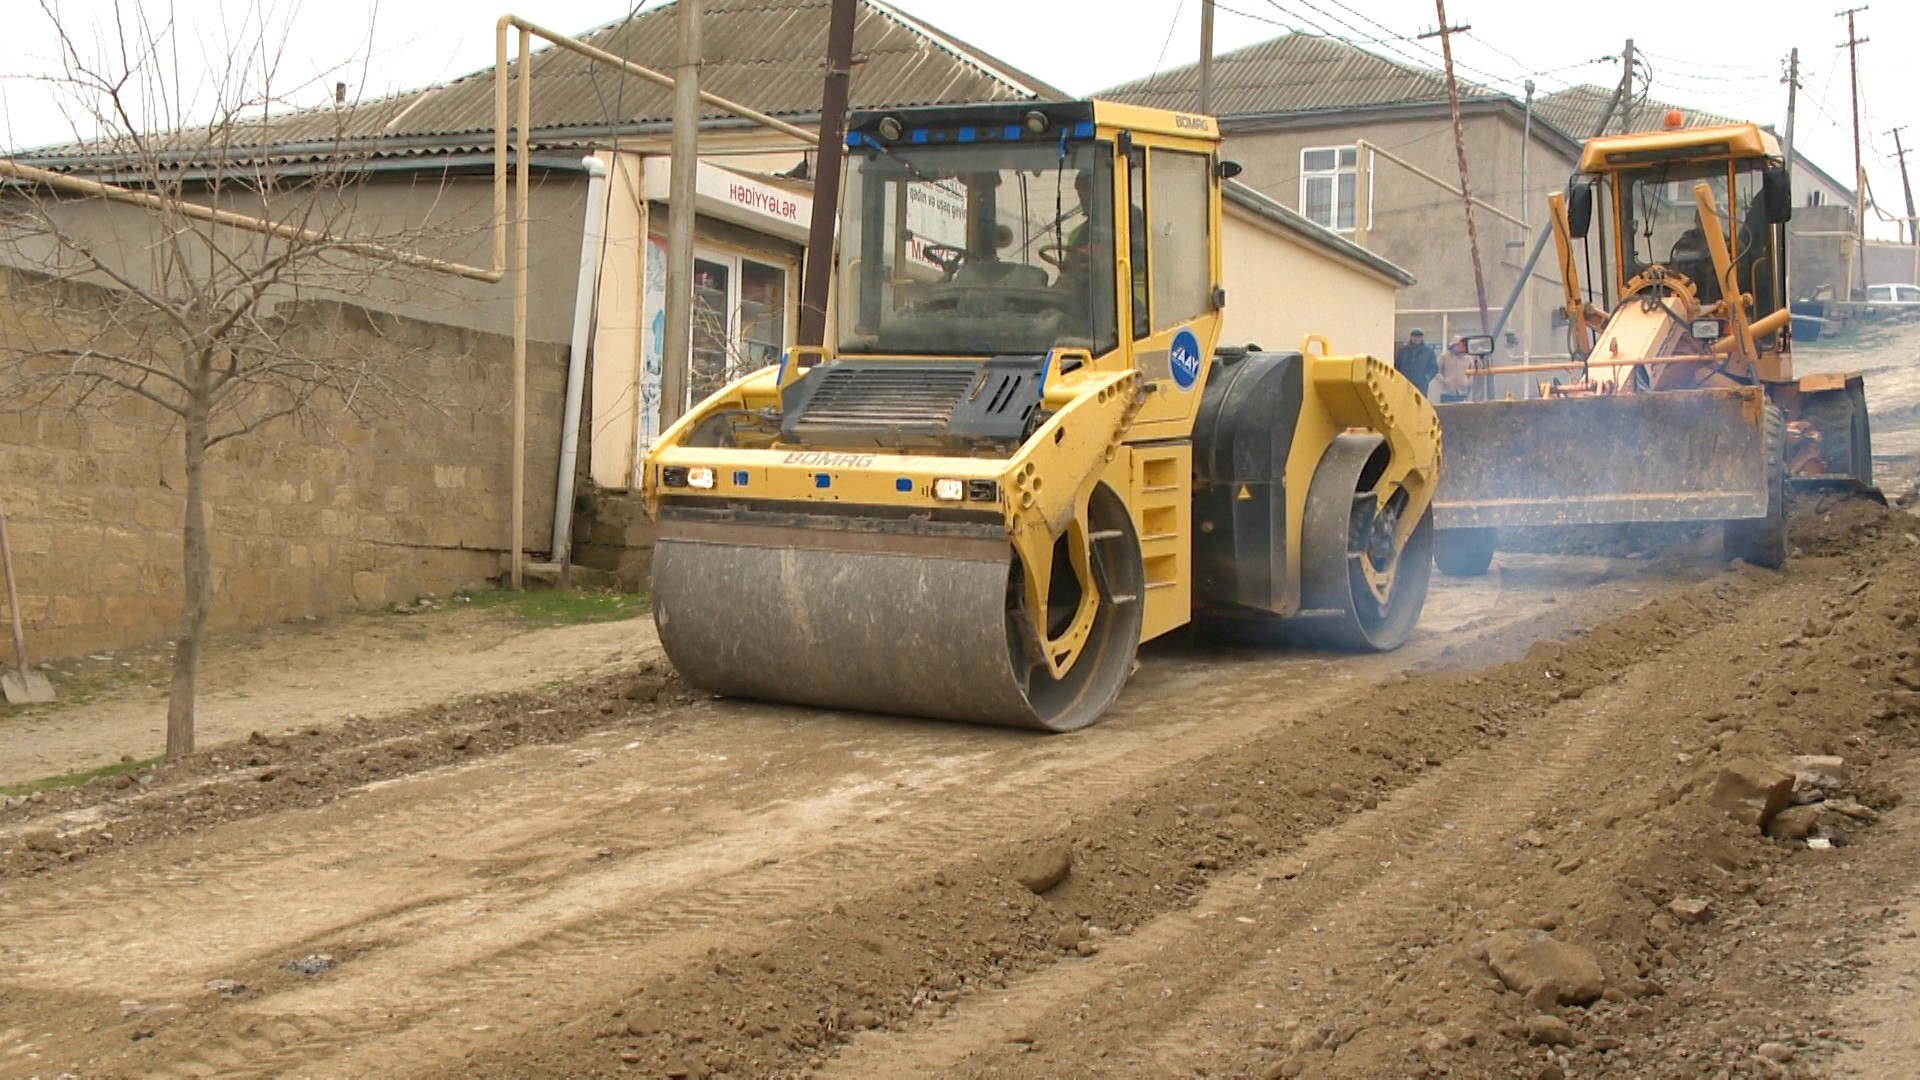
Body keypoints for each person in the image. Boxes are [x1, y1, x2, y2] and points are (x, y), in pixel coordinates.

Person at [1393, 327, 1439, 398]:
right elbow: (1397, 366)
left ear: (1422, 338)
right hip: (1405, 384)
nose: (1416, 338)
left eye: (1419, 336)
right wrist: (1399, 379)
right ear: (1411, 337)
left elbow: (1434, 368)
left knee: (1420, 405)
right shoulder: (1403, 350)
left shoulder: (1429, 352)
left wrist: (1426, 378)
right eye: (1414, 336)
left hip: (1421, 386)